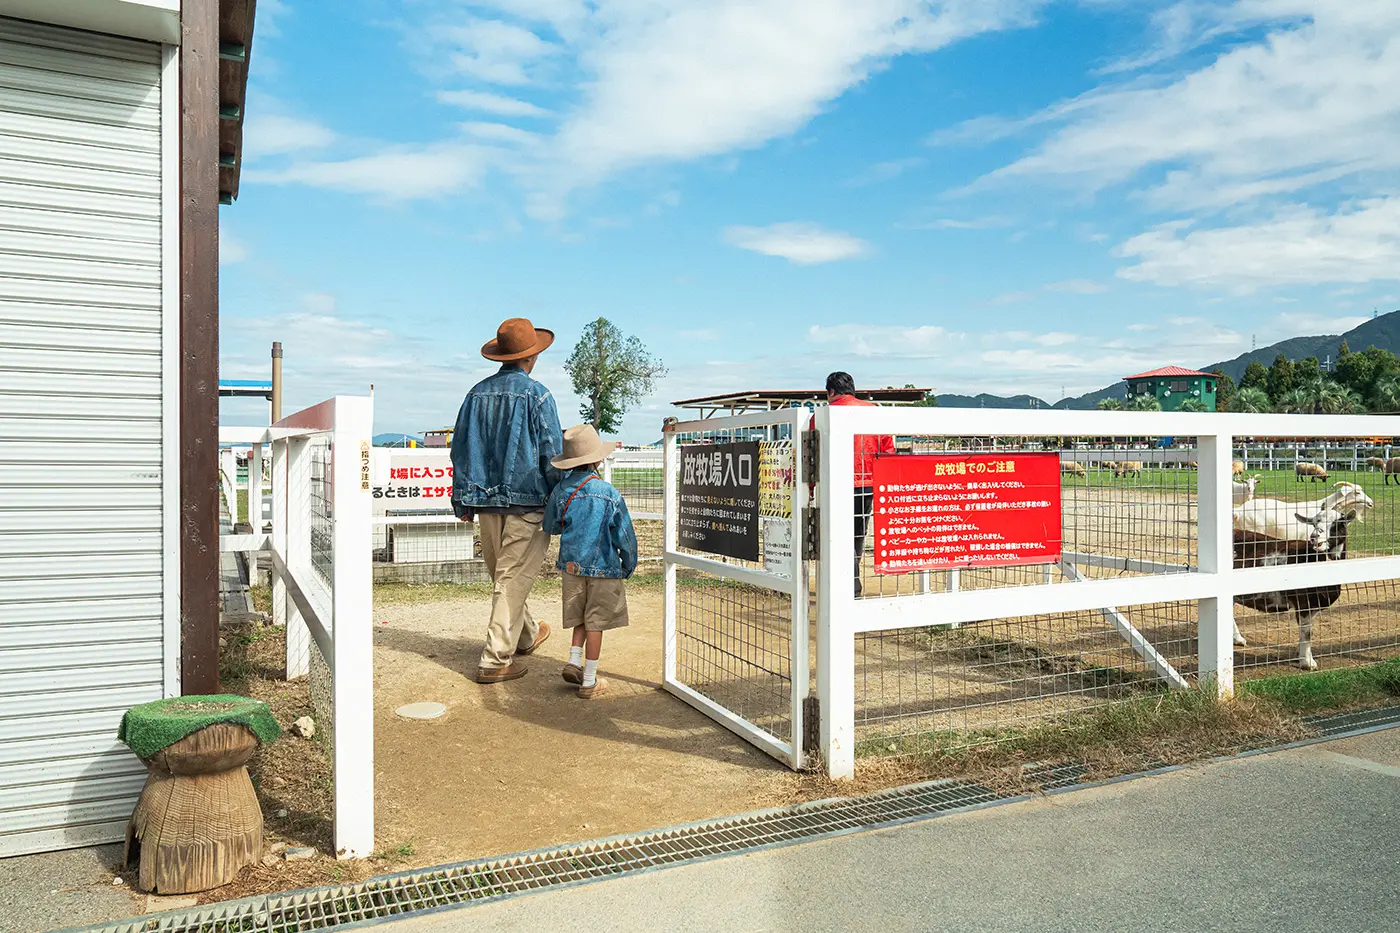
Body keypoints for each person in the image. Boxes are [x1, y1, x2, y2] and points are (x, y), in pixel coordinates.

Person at [451, 317, 564, 684]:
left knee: (506, 577)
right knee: (512, 580)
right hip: (528, 502)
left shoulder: (475, 395)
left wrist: (462, 499)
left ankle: (527, 634)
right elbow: (552, 452)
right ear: (531, 357)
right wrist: (559, 500)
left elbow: (461, 451)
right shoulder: (538, 395)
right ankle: (495, 658)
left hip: (485, 503)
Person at [543, 424, 638, 699]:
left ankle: (573, 661)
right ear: (597, 459)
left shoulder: (561, 491)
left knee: (580, 615)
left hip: (572, 566)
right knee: (596, 622)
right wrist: (628, 564)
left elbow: (551, 526)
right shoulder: (609, 493)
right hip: (604, 568)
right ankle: (589, 680)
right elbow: (624, 536)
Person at [816, 372, 896, 596]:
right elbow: (888, 450)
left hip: (834, 484)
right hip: (867, 483)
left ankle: (845, 583)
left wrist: (811, 487)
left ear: (830, 392)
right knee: (857, 533)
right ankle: (851, 582)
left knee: (833, 534)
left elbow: (809, 453)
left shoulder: (823, 414)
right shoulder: (873, 412)